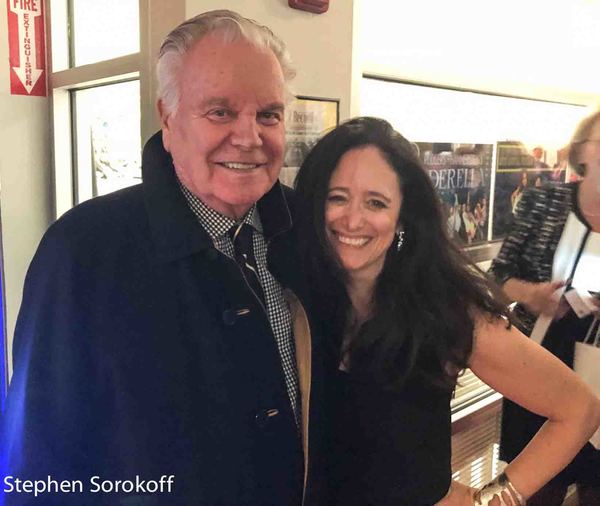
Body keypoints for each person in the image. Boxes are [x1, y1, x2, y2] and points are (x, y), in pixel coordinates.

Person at [1, 10, 327, 506]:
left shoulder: (304, 231)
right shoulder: (84, 251)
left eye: (268, 114)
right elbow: (39, 461)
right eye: (219, 112)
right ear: (168, 118)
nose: (249, 136)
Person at [293, 116, 600, 505]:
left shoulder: (443, 308)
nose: (353, 219)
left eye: (376, 202)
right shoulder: (297, 297)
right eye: (337, 197)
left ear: (403, 215)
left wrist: (490, 500)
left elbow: (579, 409)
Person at [490, 110, 600, 505]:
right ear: (582, 152)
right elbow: (496, 277)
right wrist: (530, 294)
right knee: (535, 488)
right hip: (539, 369)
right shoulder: (544, 202)